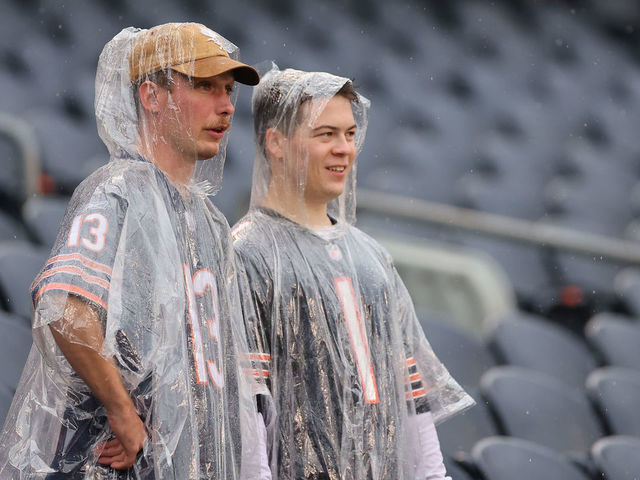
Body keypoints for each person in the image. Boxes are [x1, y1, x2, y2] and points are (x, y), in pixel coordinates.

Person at [0, 22, 271, 479]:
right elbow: (64, 304)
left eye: (227, 90)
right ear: (151, 96)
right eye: (205, 86)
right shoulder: (118, 191)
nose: (225, 106)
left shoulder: (211, 223)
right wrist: (123, 412)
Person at [232, 65, 475, 480]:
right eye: (325, 134)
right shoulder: (247, 253)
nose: (344, 148)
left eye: (349, 134)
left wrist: (434, 476)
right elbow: (246, 404)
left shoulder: (371, 258)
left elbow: (411, 395)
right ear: (276, 142)